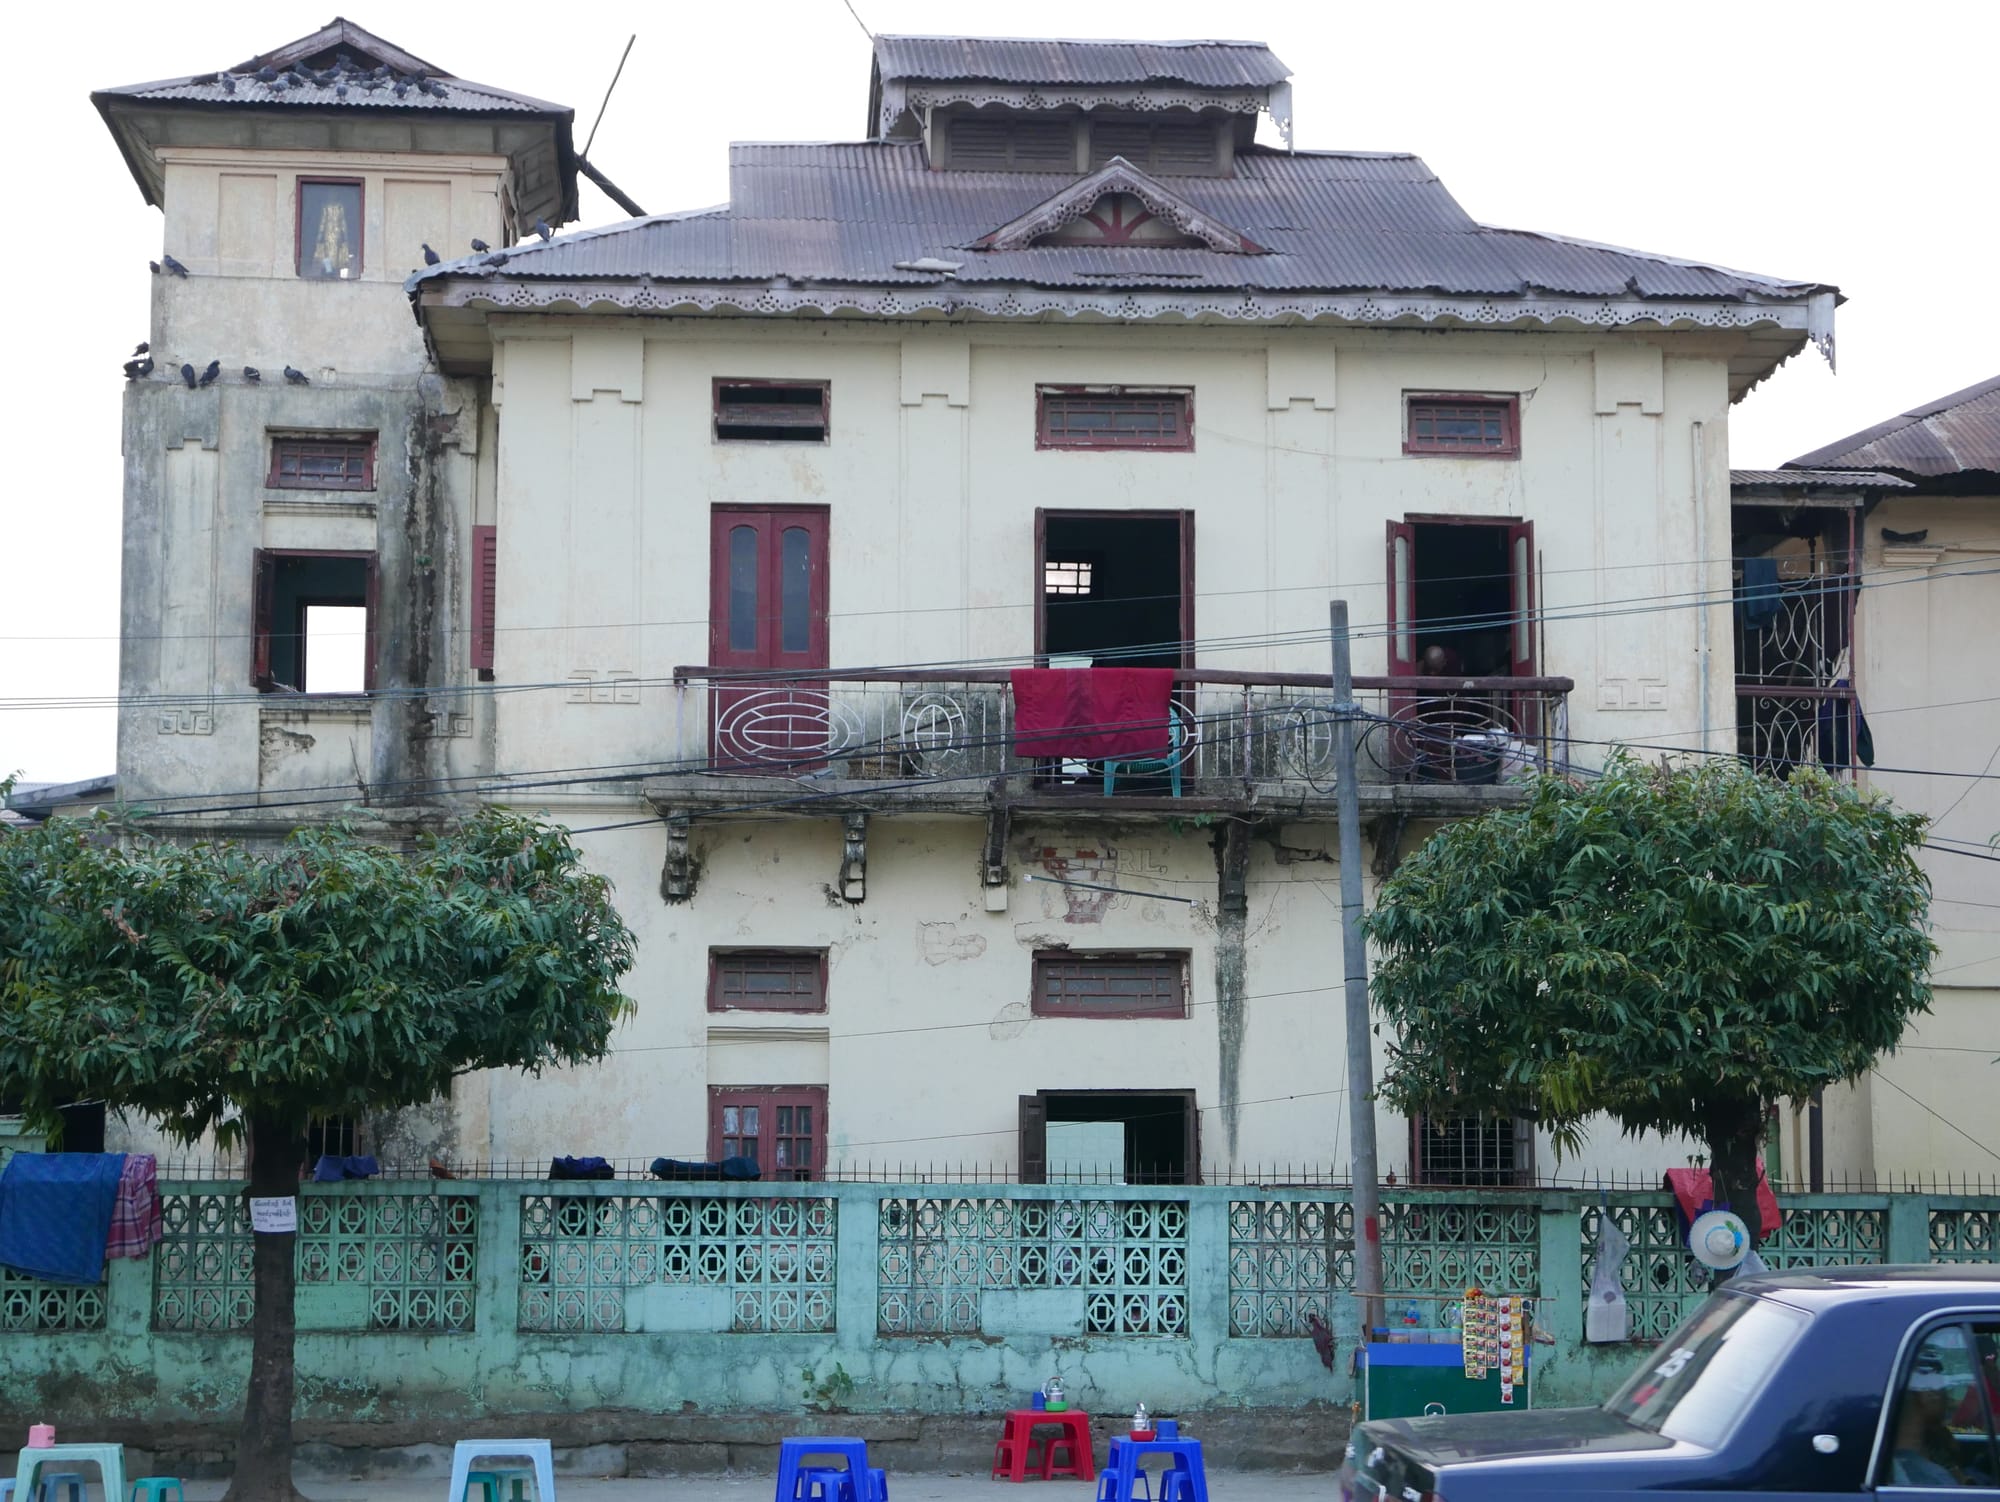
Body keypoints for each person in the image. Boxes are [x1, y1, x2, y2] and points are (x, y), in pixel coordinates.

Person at [1890, 1332, 1977, 1486]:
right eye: (1943, 1388)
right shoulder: (1932, 1479)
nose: (1948, 1398)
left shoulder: (1924, 1453)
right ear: (1928, 1394)